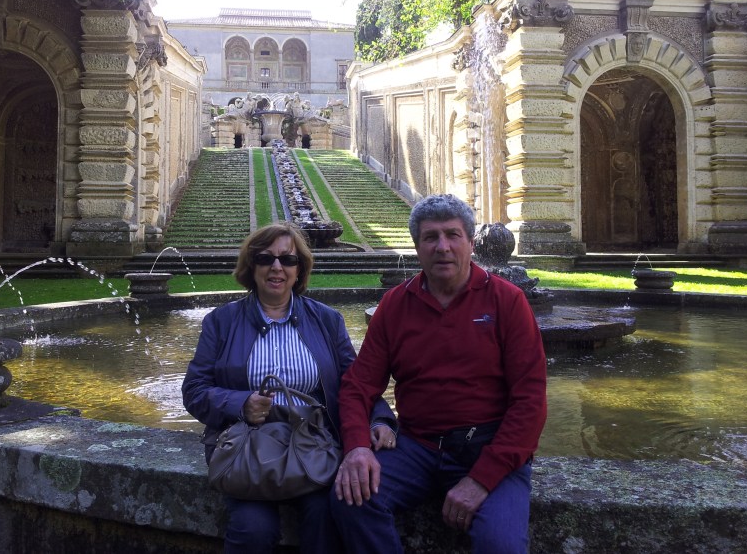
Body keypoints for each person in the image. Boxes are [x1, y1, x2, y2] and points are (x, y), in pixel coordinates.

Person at [330, 194, 547, 554]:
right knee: (350, 497)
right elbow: (358, 386)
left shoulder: (507, 301)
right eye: (431, 237)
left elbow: (530, 402)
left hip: (489, 448)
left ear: (471, 243)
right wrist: (356, 447)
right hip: (418, 447)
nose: (442, 247)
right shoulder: (395, 305)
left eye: (452, 235)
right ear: (417, 247)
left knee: (500, 545)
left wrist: (481, 480)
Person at [182, 222, 397, 554]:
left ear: (300, 270)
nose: (277, 267)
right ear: (251, 266)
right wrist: (240, 403)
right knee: (252, 530)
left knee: (327, 517)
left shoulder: (327, 320)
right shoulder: (221, 322)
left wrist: (379, 419)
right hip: (246, 450)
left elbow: (354, 380)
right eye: (265, 258)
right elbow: (194, 390)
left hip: (313, 445)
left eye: (288, 260)